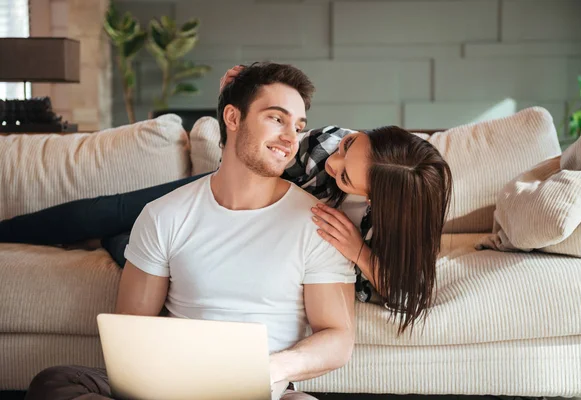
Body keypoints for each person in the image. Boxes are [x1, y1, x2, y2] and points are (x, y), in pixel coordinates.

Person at [1, 64, 453, 334]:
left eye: (348, 177)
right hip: (222, 198)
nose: (334, 162)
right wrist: (236, 100)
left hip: (267, 229)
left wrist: (359, 251)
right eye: (350, 146)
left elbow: (410, 293)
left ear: (379, 201)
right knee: (110, 209)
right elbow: (261, 155)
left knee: (127, 241)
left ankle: (118, 241)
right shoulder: (330, 144)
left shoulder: (390, 225)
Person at [24, 62, 356, 400]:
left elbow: (338, 338)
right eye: (276, 118)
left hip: (262, 389)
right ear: (233, 118)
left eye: (298, 126)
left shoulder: (317, 223)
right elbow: (130, 331)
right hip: (170, 387)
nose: (290, 138)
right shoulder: (164, 215)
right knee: (54, 383)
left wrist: (270, 368)